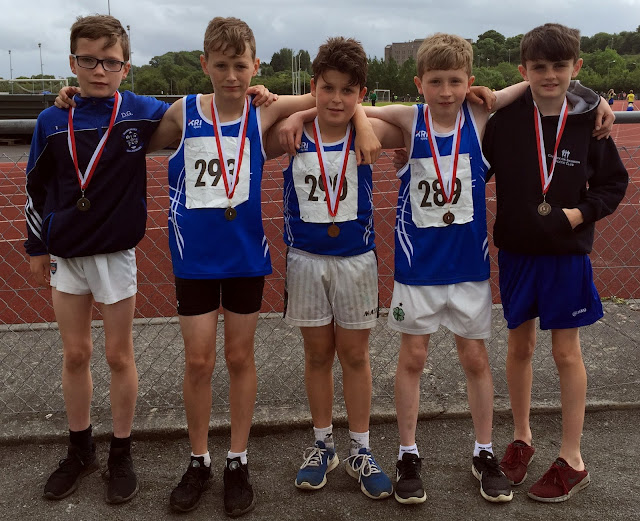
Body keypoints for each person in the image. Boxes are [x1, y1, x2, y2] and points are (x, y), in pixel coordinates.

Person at [363, 32, 614, 505]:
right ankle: (408, 454)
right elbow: (353, 110)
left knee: (478, 360)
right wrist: (358, 117)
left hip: (472, 267)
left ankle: (486, 451)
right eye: (435, 81)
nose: (445, 91)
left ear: (469, 82)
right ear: (419, 83)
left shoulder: (480, 116)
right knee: (414, 358)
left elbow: (536, 83)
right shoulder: (412, 119)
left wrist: (594, 97)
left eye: (455, 81)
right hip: (419, 270)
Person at [144, 17, 379, 517]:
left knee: (238, 357)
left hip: (245, 258)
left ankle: (238, 460)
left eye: (240, 65)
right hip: (194, 260)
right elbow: (130, 132)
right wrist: (73, 98)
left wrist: (355, 121)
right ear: (205, 65)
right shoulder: (183, 112)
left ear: (255, 65)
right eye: (221, 65)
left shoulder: (263, 110)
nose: (231, 76)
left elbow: (336, 100)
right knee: (199, 361)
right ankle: (199, 459)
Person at [24, 14, 170, 505]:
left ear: (125, 67)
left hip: (114, 254)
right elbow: (35, 187)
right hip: (67, 254)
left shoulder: (139, 111)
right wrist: (36, 247)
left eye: (110, 62)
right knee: (75, 354)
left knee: (118, 355)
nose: (99, 70)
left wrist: (262, 94)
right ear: (73, 63)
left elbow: (198, 110)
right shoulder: (51, 121)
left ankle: (121, 451)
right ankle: (80, 448)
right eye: (89, 60)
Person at [483, 23, 628, 503]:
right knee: (519, 346)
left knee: (566, 353)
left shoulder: (589, 120)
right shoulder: (505, 121)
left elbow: (613, 184)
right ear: (523, 70)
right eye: (539, 67)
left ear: (576, 68)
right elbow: (473, 163)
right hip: (518, 251)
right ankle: (522, 437)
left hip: (566, 254)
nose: (550, 75)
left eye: (560, 66)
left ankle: (572, 457)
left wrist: (579, 214)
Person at [265, 36, 406, 501]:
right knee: (317, 356)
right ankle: (322, 444)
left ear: (362, 93)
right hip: (305, 260)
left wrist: (363, 120)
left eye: (349, 91)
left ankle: (360, 449)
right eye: (328, 88)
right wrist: (296, 113)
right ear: (314, 86)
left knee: (356, 356)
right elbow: (250, 118)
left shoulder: (370, 131)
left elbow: (420, 116)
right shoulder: (291, 132)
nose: (337, 99)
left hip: (356, 261)